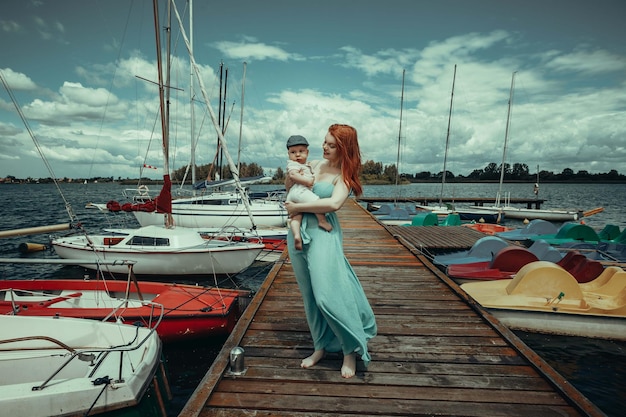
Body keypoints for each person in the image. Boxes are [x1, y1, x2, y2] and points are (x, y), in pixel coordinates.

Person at [284, 124, 377, 379]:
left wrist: (295, 206)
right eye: (324, 142)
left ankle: (350, 349)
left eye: (332, 145)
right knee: (310, 296)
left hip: (324, 233)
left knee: (328, 294)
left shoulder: (344, 175)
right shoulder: (313, 164)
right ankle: (321, 346)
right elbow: (290, 187)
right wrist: (290, 178)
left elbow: (335, 203)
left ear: (344, 149)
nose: (325, 147)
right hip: (299, 232)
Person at [285, 134, 332, 250]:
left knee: (296, 216)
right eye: (293, 152)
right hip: (300, 191)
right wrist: (307, 181)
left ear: (307, 152)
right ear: (288, 154)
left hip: (293, 194)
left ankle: (296, 235)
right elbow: (292, 175)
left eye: (301, 151)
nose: (297, 155)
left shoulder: (306, 165)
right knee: (316, 201)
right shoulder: (293, 165)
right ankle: (322, 220)